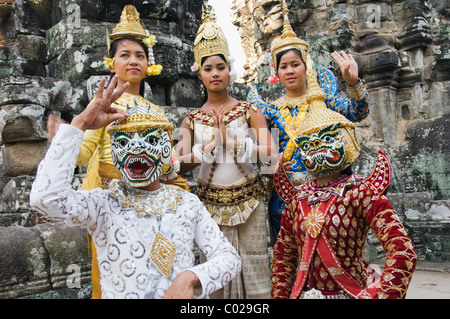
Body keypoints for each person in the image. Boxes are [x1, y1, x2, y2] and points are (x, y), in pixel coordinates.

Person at [29, 74, 241, 299]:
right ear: (115, 155)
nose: (136, 148)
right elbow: (44, 199)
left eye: (150, 140)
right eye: (123, 142)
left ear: (167, 151)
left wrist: (190, 277)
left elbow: (229, 258)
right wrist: (80, 123)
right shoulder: (103, 204)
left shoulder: (186, 202)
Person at [270, 62, 417, 299]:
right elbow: (283, 259)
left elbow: (402, 250)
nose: (316, 149)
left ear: (346, 141)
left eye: (326, 139)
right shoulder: (298, 199)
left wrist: (385, 295)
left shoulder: (360, 192)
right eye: (307, 145)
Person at [70, 5, 188, 298]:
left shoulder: (156, 111)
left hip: (154, 201)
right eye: (125, 55)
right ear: (112, 63)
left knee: (157, 274)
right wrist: (70, 134)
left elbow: (166, 161)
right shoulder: (104, 106)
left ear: (150, 64)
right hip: (114, 203)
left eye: (140, 55)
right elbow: (83, 155)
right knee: (118, 275)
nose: (133, 60)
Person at [176, 6, 277, 299]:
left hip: (251, 202)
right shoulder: (191, 118)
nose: (215, 73)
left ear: (229, 69)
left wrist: (231, 143)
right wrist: (210, 146)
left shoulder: (249, 111)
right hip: (210, 207)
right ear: (199, 74)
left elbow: (272, 156)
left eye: (220, 67)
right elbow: (179, 166)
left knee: (257, 268)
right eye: (208, 68)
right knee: (215, 273)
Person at [247, 0, 370, 239]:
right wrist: (272, 163)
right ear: (277, 73)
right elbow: (267, 158)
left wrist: (353, 83)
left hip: (330, 188)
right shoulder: (270, 111)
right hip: (288, 194)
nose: (290, 71)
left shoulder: (324, 100)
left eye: (295, 64)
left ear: (307, 67)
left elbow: (359, 113)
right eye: (284, 67)